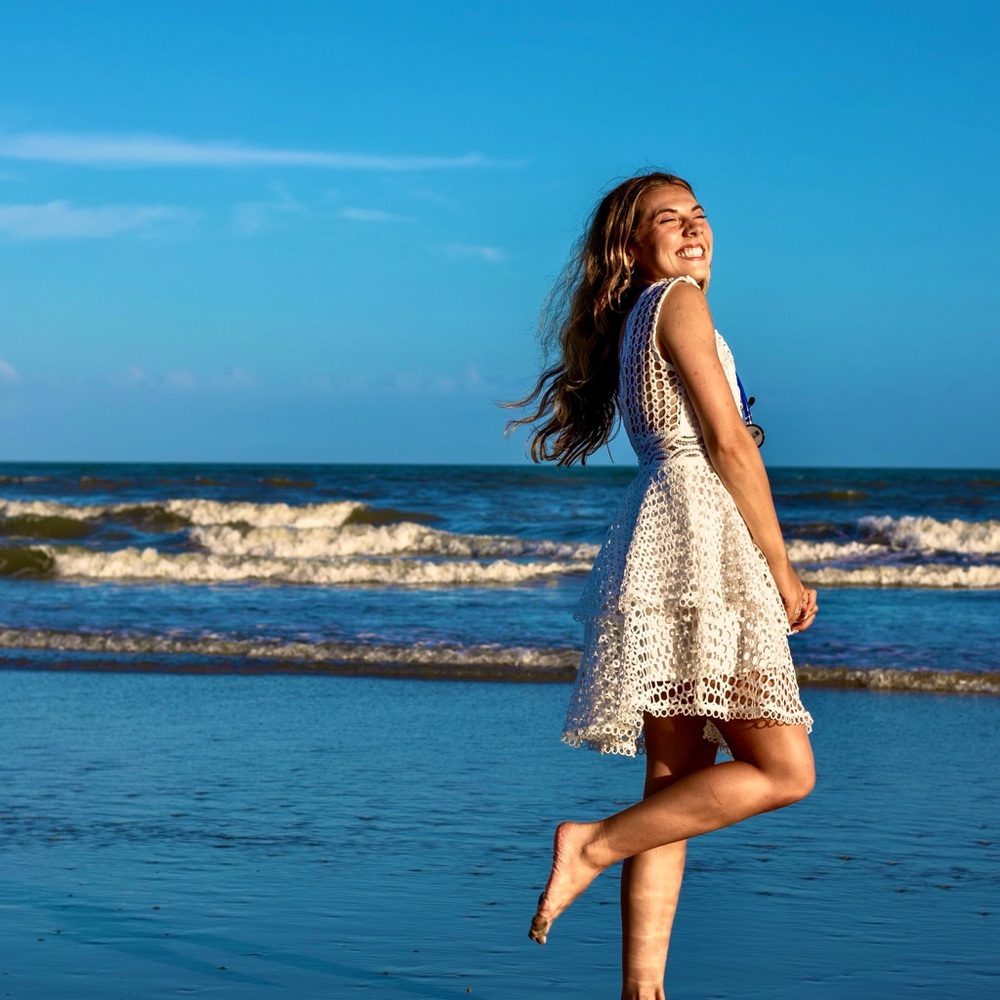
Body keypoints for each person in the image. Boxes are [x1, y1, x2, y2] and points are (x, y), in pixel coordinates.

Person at [508, 171, 818, 1000]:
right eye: (666, 219)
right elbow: (727, 444)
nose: (691, 229)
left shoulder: (643, 315)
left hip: (661, 530)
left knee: (675, 786)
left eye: (699, 216)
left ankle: (641, 993)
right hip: (700, 534)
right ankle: (592, 845)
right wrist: (780, 563)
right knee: (786, 770)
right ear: (631, 244)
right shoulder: (677, 299)